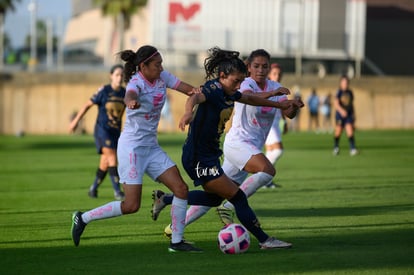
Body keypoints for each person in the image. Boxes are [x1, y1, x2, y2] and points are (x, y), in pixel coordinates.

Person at [152, 47, 303, 250]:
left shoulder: (229, 91)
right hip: (197, 157)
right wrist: (188, 112)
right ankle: (265, 240)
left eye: (241, 81)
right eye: (236, 81)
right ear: (222, 76)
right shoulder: (213, 89)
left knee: (215, 199)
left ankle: (166, 198)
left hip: (210, 154)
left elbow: (250, 99)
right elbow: (195, 97)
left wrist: (282, 104)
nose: (239, 86)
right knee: (237, 196)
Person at [71, 45, 202, 252]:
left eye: (161, 63)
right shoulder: (136, 81)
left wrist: (196, 98)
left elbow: (189, 90)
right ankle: (82, 218)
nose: (161, 67)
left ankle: (177, 241)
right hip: (132, 149)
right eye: (157, 64)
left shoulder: (163, 77)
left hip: (151, 147)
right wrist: (131, 102)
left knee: (181, 189)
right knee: (131, 206)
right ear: (143, 66)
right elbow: (129, 95)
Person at [69, 64, 126, 200]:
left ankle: (93, 188)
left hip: (115, 131)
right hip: (102, 130)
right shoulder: (104, 91)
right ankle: (117, 191)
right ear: (111, 76)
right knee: (112, 157)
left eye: (122, 75)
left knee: (105, 162)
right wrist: (75, 121)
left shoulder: (125, 93)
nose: (120, 77)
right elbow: (87, 105)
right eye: (117, 74)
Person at [263, 63, 287, 188]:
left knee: (271, 151)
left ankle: (266, 181)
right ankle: (262, 176)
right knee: (278, 150)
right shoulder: (266, 88)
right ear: (269, 74)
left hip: (276, 123)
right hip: (268, 123)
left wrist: (285, 121)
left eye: (279, 74)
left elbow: (283, 106)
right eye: (274, 74)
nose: (277, 76)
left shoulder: (279, 88)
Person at [333, 75, 358, 156]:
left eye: (346, 82)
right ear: (341, 83)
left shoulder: (350, 92)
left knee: (350, 131)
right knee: (338, 132)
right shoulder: (339, 92)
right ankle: (336, 147)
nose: (345, 84)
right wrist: (342, 111)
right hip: (340, 115)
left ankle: (352, 148)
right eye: (343, 82)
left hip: (348, 115)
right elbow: (336, 104)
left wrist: (354, 115)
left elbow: (351, 104)